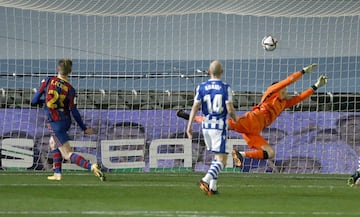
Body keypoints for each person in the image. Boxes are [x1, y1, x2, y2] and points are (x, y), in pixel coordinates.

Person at [230, 64, 328, 166]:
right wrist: (303, 71)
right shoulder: (271, 92)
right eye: (284, 89)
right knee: (225, 125)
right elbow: (289, 80)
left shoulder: (283, 103)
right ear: (279, 89)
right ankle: (213, 128)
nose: (286, 91)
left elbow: (299, 98)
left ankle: (240, 154)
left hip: (255, 131)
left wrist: (316, 86)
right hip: (251, 120)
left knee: (270, 153)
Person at [31, 59, 105, 181]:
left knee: (67, 153)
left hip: (55, 122)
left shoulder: (48, 80)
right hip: (66, 120)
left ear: (57, 69)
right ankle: (57, 173)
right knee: (52, 142)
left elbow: (34, 101)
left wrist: (45, 102)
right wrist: (84, 127)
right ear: (69, 72)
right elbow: (74, 111)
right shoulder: (70, 89)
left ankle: (91, 166)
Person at [186, 60, 236, 196]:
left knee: (216, 156)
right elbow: (230, 109)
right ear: (222, 72)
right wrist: (235, 119)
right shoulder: (225, 87)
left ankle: (213, 188)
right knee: (222, 160)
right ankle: (206, 179)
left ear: (208, 71)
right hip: (218, 126)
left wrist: (189, 126)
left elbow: (195, 107)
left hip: (206, 126)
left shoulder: (201, 87)